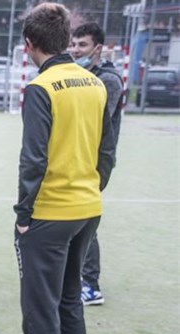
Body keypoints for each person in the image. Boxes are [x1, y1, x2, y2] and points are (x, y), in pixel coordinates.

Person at [0, 3, 112, 334]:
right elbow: (106, 149)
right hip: (87, 208)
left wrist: (23, 214)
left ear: (29, 44)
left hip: (49, 213)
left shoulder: (41, 87)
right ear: (66, 40)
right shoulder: (94, 82)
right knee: (68, 301)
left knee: (40, 310)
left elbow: (34, 159)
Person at [70, 22, 124, 306]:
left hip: (97, 160)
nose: (76, 50)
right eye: (73, 45)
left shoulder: (109, 80)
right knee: (73, 220)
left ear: (98, 49)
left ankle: (91, 286)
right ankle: (76, 278)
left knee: (85, 222)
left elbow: (94, 121)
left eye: (82, 45)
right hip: (77, 157)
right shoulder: (79, 75)